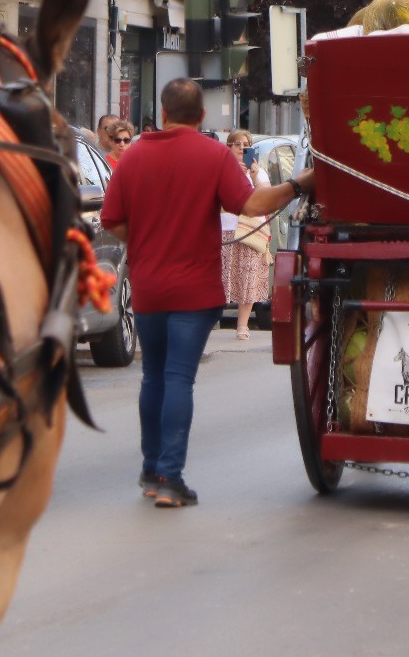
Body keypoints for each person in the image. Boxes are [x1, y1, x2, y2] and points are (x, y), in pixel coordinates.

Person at [101, 79, 311, 508]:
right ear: (201, 118)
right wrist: (298, 186)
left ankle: (150, 469)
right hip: (194, 290)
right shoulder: (213, 155)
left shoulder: (133, 155)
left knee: (152, 377)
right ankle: (170, 478)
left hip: (148, 287)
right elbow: (251, 206)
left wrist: (141, 241)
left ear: (162, 112)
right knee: (179, 378)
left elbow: (111, 220)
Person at [220, 128, 272, 340]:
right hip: (226, 230)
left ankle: (242, 325)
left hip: (251, 231)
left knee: (248, 277)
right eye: (237, 144)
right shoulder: (222, 170)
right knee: (220, 277)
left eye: (245, 145)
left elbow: (266, 198)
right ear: (228, 147)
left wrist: (253, 175)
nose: (242, 148)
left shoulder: (258, 171)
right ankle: (210, 319)